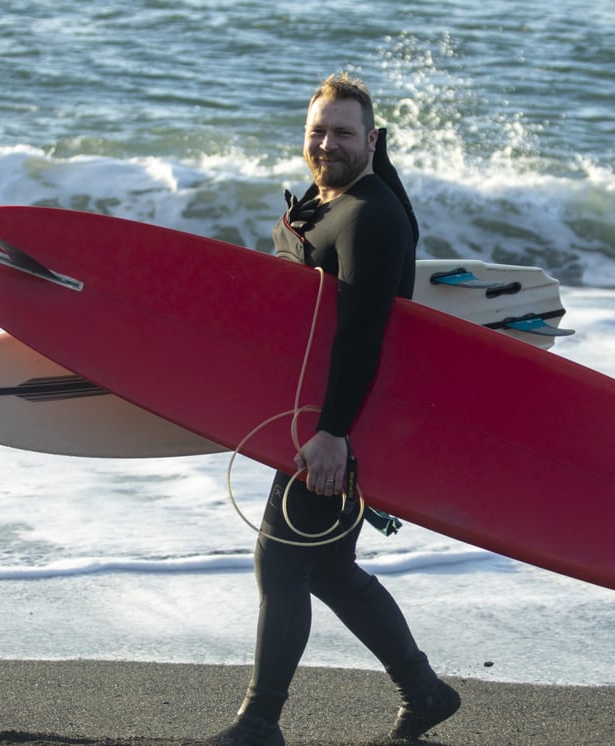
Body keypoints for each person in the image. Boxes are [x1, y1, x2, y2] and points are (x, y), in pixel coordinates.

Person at [203, 73, 460, 745]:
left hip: (337, 417)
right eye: (318, 131)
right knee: (325, 566)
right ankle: (423, 692)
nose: (328, 143)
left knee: (282, 561)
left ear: (372, 140)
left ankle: (260, 723)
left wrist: (336, 434)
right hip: (311, 415)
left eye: (344, 133)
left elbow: (363, 333)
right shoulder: (324, 202)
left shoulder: (371, 216)